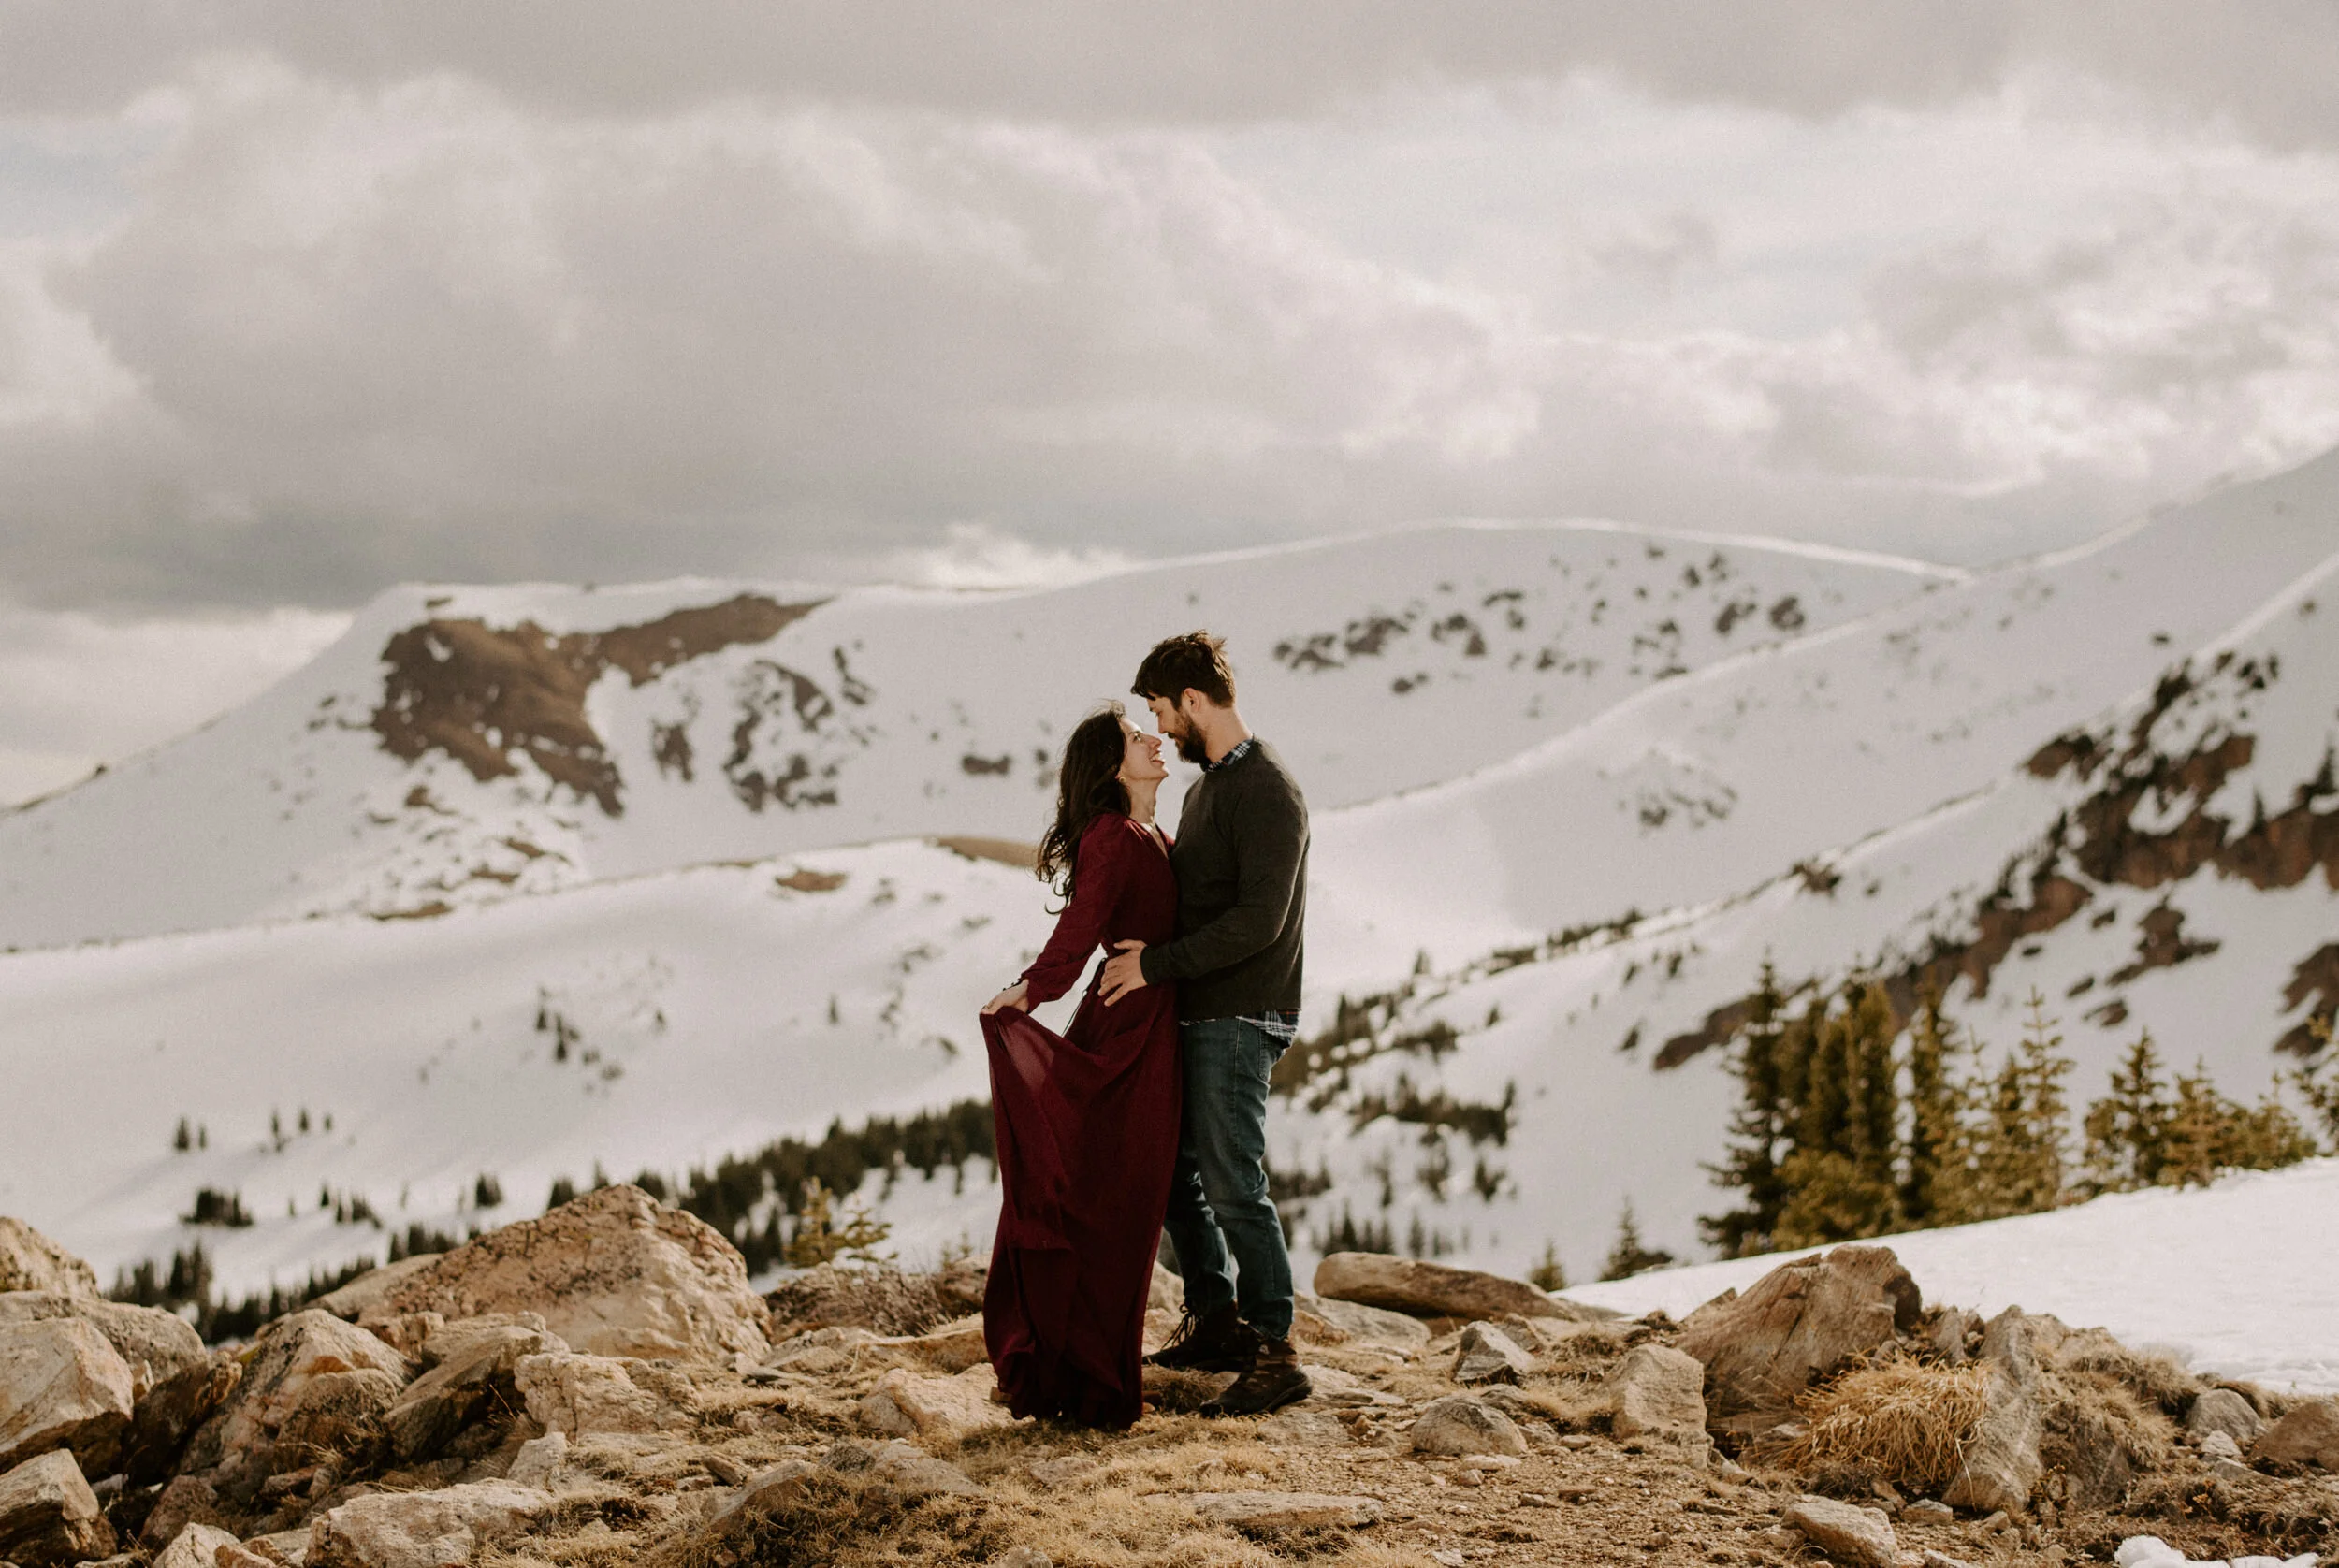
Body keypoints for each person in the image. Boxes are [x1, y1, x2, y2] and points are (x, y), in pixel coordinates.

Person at [1097, 631, 1313, 1416]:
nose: (1160, 728)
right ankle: (1218, 1323)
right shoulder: (1207, 790)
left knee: (1232, 1184)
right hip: (1200, 1013)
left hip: (1240, 1012)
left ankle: (1277, 1349)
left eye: (1161, 709)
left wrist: (1155, 965)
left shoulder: (1267, 788)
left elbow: (1261, 920)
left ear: (1192, 699)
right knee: (1176, 1182)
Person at [977, 704, 1181, 1429]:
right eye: (1135, 738)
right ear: (1109, 764)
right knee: (1112, 1207)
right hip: (1127, 1040)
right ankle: (1083, 1380)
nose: (1154, 740)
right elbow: (1080, 927)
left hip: (1150, 1030)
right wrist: (1029, 991)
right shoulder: (1113, 836)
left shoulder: (1150, 832)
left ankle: (1094, 1374)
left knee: (1125, 1206)